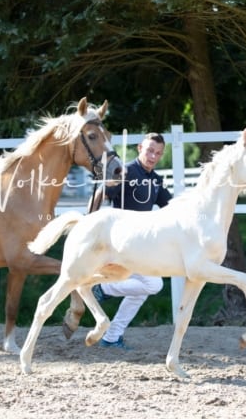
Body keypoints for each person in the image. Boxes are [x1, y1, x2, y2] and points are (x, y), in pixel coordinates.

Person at [89, 132, 173, 349]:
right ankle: (103, 289)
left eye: (158, 153)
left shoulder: (156, 180)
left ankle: (111, 337)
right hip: (121, 244)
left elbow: (170, 208)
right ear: (139, 148)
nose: (153, 156)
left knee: (142, 290)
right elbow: (102, 192)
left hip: (141, 246)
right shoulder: (124, 172)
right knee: (154, 284)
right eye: (150, 151)